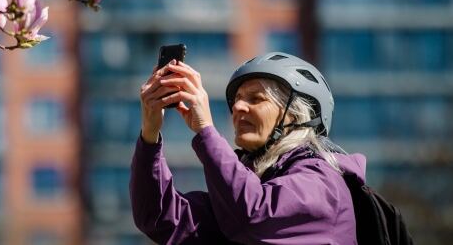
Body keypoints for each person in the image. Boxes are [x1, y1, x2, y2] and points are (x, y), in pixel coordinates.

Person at [130, 52, 366, 244]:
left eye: (256, 98)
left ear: (296, 114)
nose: (238, 107)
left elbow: (256, 216)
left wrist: (206, 131)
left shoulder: (323, 181)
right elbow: (160, 219)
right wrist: (149, 135)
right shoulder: (243, 193)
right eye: (238, 100)